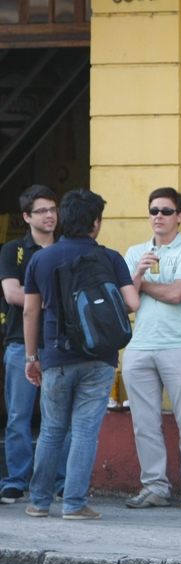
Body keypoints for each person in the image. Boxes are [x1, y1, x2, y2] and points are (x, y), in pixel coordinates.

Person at [22, 189, 140, 520]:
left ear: (62, 219)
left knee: (51, 429)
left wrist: (32, 358)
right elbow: (133, 303)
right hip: (100, 357)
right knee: (85, 429)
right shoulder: (110, 257)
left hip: (56, 356)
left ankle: (39, 502)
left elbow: (31, 313)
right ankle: (74, 504)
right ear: (95, 223)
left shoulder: (41, 259)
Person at [122, 188, 181, 511]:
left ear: (180, 216)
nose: (158, 216)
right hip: (139, 346)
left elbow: (177, 294)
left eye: (166, 211)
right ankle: (155, 486)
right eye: (153, 210)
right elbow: (127, 303)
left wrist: (141, 284)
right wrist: (138, 273)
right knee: (143, 422)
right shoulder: (135, 252)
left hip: (179, 345)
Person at [1, 185, 67, 504]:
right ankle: (16, 479)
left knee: (59, 417)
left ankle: (61, 480)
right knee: (19, 415)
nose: (50, 215)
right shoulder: (13, 249)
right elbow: (12, 295)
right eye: (42, 211)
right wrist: (52, 299)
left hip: (60, 344)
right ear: (27, 216)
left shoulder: (67, 248)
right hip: (19, 344)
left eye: (53, 209)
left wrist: (37, 299)